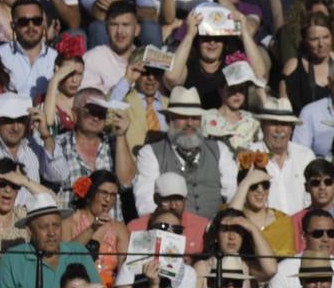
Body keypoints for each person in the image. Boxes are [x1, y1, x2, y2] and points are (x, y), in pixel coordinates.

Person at [0, 191, 100, 288]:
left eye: (56, 225)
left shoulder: (78, 252)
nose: (51, 233)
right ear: (29, 231)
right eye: (43, 227)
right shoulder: (12, 259)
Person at [132, 87, 237, 219]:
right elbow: (146, 206)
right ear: (168, 120)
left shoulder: (219, 150)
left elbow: (233, 195)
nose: (190, 123)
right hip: (172, 228)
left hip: (216, 227)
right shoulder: (150, 153)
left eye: (195, 118)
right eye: (182, 117)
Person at [43, 88, 136, 212]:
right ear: (75, 114)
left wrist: (121, 135)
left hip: (109, 222)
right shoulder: (58, 145)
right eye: (90, 112)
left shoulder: (115, 143)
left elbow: (127, 182)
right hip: (70, 222)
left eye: (101, 113)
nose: (96, 118)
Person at [61, 170, 128, 288]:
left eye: (113, 195)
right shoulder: (70, 222)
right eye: (104, 193)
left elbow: (125, 271)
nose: (108, 199)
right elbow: (63, 258)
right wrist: (91, 229)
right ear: (91, 192)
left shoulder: (119, 229)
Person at [127, 172, 211, 257]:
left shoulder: (202, 226)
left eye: (178, 199)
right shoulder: (135, 228)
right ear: (155, 199)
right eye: (167, 200)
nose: (173, 206)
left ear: (185, 200)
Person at [0, 0, 56, 100]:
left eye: (36, 21)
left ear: (43, 23)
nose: (31, 26)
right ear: (13, 26)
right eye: (23, 22)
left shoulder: (56, 58)